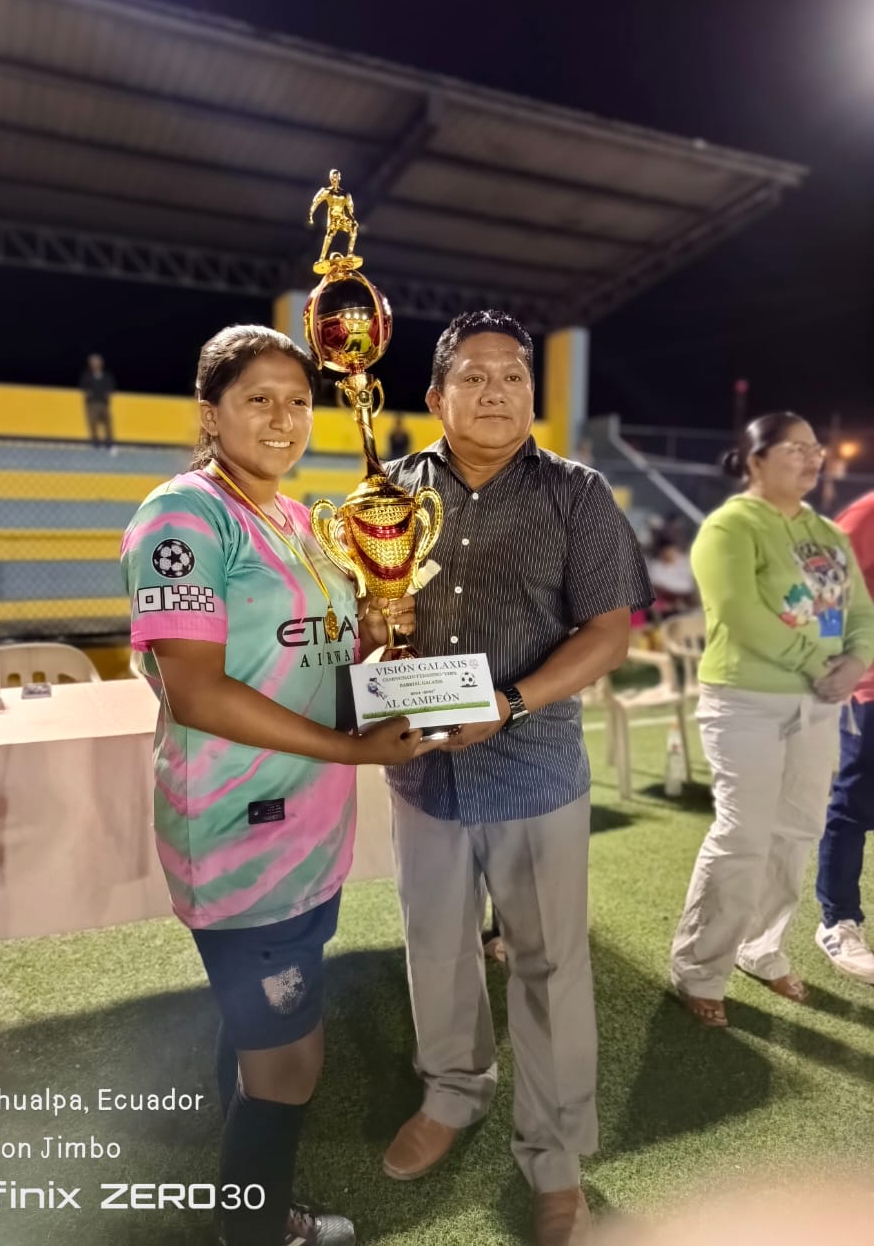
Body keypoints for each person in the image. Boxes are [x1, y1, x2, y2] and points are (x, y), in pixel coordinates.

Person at [121, 324, 423, 1246]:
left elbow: (321, 651)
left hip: (308, 828)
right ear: (210, 413)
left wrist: (379, 630)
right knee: (292, 1063)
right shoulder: (184, 517)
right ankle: (254, 1232)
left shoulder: (298, 519)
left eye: (298, 400)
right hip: (242, 834)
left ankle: (240, 1206)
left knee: (259, 1039)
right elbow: (198, 692)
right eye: (258, 398)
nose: (284, 417)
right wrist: (356, 752)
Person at [369, 310, 653, 1246]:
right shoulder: (386, 493)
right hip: (423, 772)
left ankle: (556, 1158)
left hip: (533, 766)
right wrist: (372, 624)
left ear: (532, 392)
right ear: (435, 395)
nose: (496, 391)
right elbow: (359, 616)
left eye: (513, 376)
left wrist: (513, 701)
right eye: (475, 376)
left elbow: (608, 633)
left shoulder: (576, 493)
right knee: (436, 948)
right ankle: (453, 1094)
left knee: (550, 965)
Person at [670, 413, 874, 1027]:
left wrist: (856, 660)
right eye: (796, 449)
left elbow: (860, 608)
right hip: (746, 700)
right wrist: (819, 663)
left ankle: (761, 949)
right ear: (756, 459)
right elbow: (740, 612)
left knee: (797, 829)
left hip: (818, 704)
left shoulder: (824, 532)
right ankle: (698, 967)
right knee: (743, 835)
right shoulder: (730, 526)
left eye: (816, 449)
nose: (813, 459)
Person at [815, 488, 874, 983]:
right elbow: (825, 585)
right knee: (854, 802)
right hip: (869, 687)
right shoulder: (867, 512)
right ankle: (838, 920)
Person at [79, 352, 116, 449]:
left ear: (101, 363)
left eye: (97, 362)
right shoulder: (87, 375)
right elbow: (83, 386)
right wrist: (88, 392)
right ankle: (95, 441)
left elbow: (111, 386)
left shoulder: (107, 375)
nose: (95, 364)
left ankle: (109, 441)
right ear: (90, 364)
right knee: (93, 422)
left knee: (108, 422)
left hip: (104, 403)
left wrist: (108, 392)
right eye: (93, 362)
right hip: (92, 403)